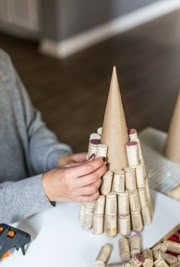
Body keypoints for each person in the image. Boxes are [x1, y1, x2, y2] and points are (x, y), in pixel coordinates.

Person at [0, 49, 107, 223]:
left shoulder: (2, 61)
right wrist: (44, 189)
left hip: (27, 220)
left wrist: (58, 158)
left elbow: (30, 128)